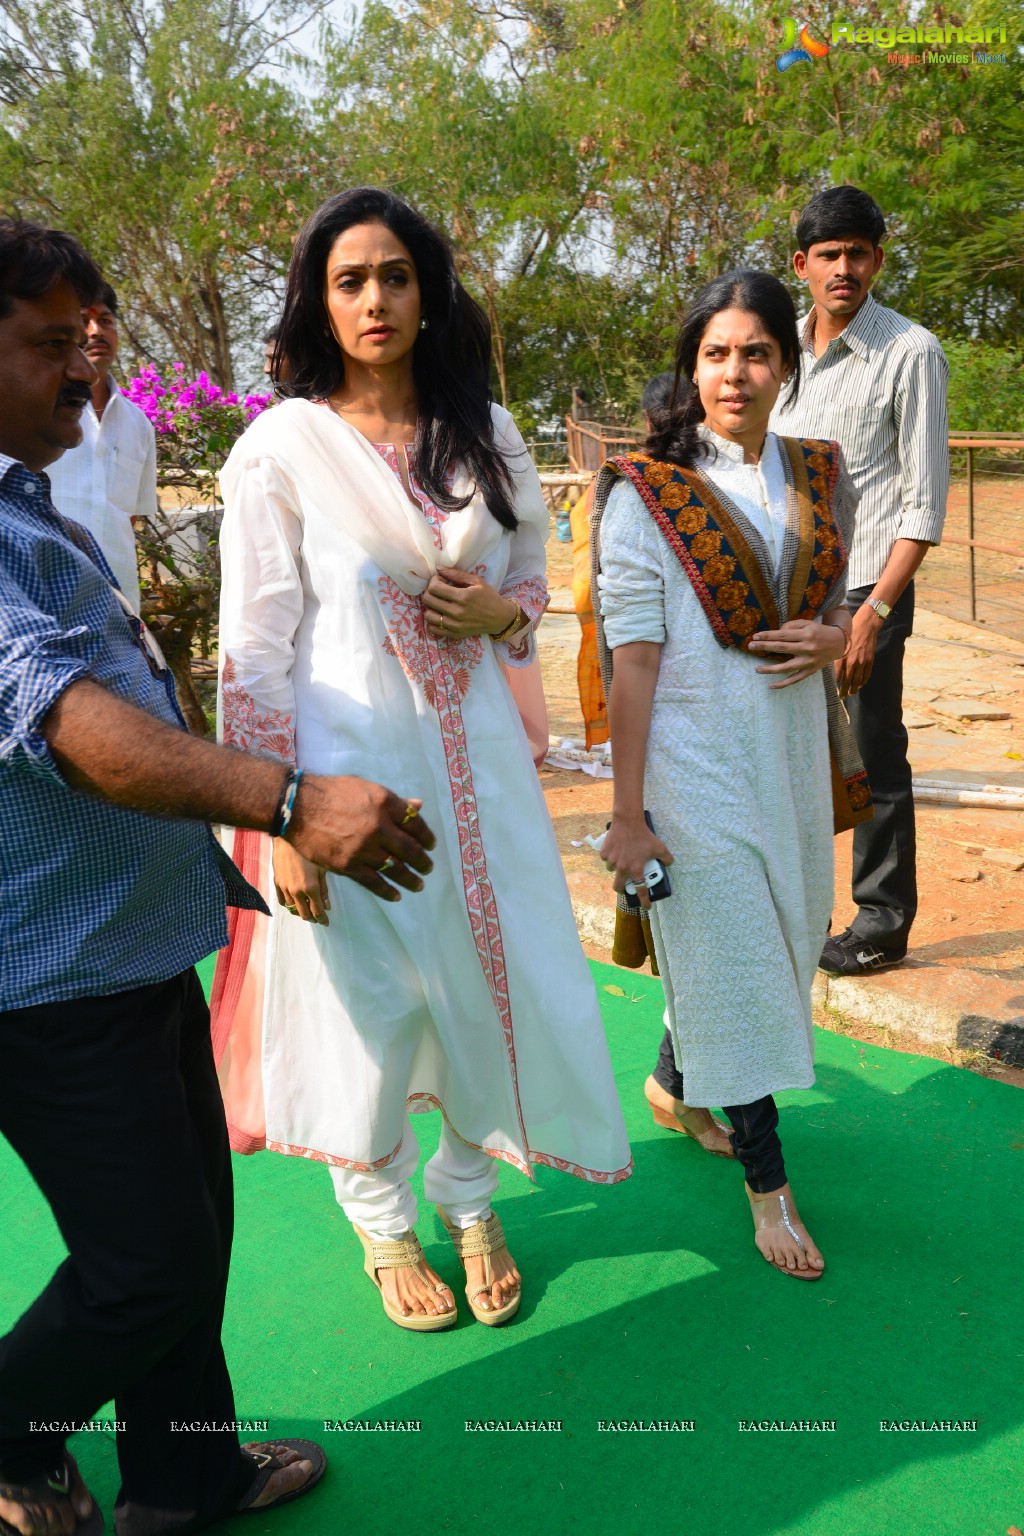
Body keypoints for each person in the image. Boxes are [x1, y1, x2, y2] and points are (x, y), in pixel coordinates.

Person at [0, 218, 437, 1536]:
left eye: (86, 339)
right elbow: (70, 724)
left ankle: (184, 1479)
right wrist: (287, 800)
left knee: (191, 1235)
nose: (84, 371)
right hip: (49, 978)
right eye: (44, 345)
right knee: (150, 1265)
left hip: (126, 948)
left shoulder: (23, 499)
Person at [212, 187, 631, 1334]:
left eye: (395, 275)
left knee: (481, 985)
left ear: (428, 291)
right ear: (317, 301)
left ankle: (469, 1194)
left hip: (481, 770)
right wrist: (280, 816)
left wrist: (499, 615)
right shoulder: (283, 450)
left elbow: (537, 588)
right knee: (371, 1002)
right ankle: (383, 1219)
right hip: (347, 783)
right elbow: (252, 648)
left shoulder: (484, 434)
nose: (375, 300)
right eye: (349, 280)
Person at [595, 270, 863, 1280]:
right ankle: (769, 1190)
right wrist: (626, 815)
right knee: (744, 968)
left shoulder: (818, 473)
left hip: (789, 760)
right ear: (690, 369)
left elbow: (839, 606)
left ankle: (672, 1082)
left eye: (755, 353)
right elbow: (633, 660)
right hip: (691, 763)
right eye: (716, 354)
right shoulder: (647, 495)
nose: (735, 373)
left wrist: (834, 635)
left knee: (782, 944)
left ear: (786, 365)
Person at [771, 185, 949, 976]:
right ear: (801, 265)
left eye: (859, 253)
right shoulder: (779, 352)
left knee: (872, 751)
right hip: (785, 584)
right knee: (782, 745)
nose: (844, 268)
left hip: (865, 588)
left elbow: (923, 501)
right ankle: (790, 903)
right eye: (829, 255)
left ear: (878, 259)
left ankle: (879, 920)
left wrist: (875, 610)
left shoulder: (910, 352)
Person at [45, 281, 154, 610]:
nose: (96, 332)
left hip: (117, 607)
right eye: (84, 321)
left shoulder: (139, 425)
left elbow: (130, 516)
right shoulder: (34, 416)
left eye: (105, 321)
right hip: (43, 601)